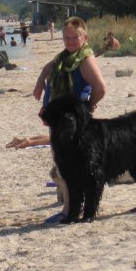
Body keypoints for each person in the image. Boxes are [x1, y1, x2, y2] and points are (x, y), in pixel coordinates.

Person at [32, 17, 107, 224]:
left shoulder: (85, 59)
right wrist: (40, 84)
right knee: (62, 162)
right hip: (59, 118)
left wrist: (89, 106)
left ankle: (69, 209)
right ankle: (71, 206)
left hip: (72, 123)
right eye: (67, 37)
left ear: (85, 37)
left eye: (75, 37)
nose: (70, 41)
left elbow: (100, 87)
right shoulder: (65, 57)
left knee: (70, 165)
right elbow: (48, 68)